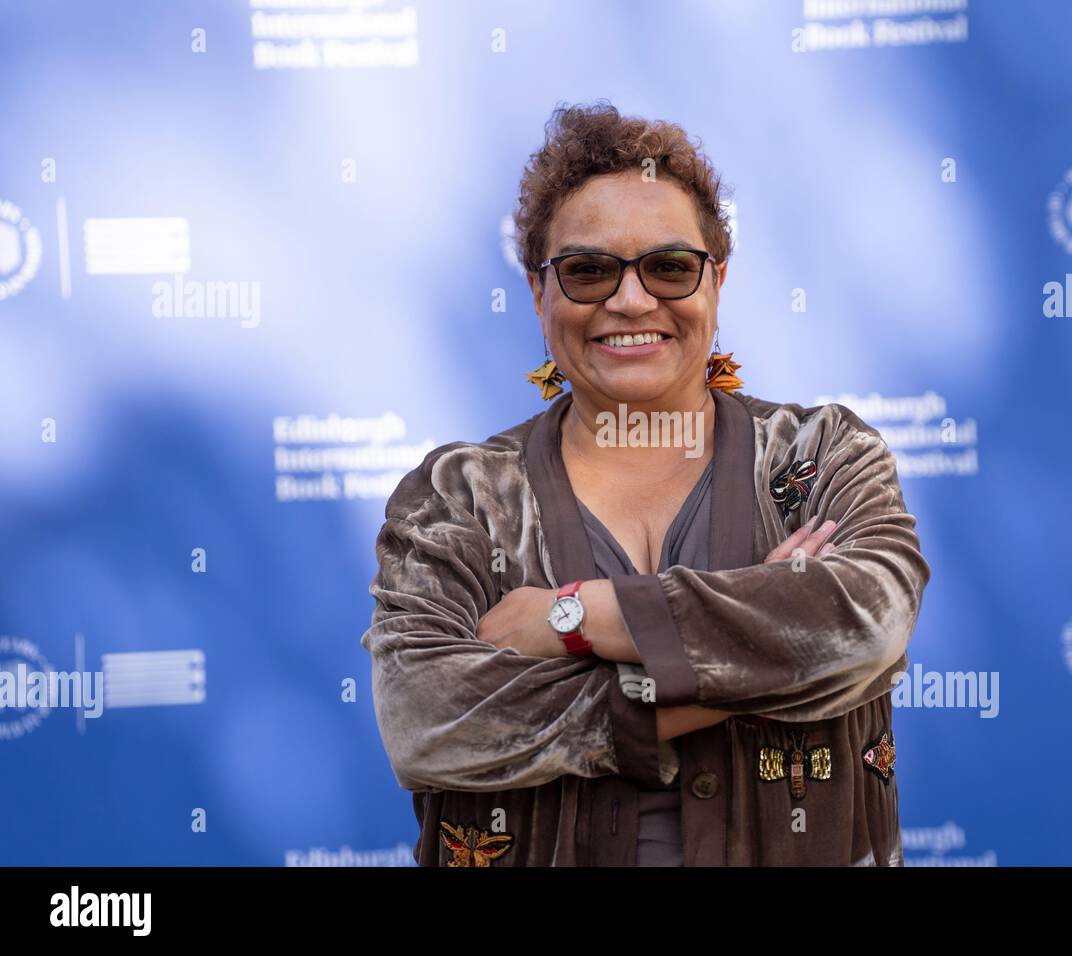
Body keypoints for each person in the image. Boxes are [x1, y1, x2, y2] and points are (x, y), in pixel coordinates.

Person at [361, 100, 931, 866]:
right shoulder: (459, 498)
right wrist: (753, 633)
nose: (631, 301)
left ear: (716, 283)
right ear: (539, 294)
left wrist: (576, 618)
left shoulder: (817, 455)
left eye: (668, 266)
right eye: (589, 270)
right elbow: (428, 719)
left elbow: (868, 619)